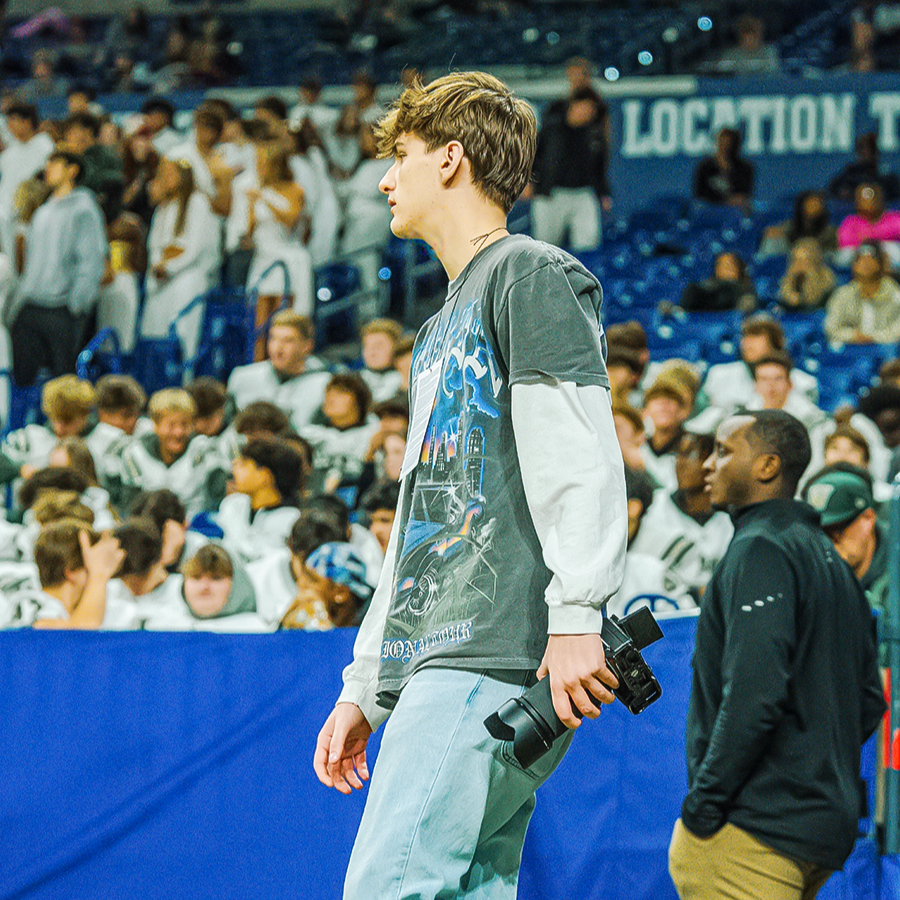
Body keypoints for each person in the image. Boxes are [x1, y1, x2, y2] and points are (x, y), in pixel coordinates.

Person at [313, 71, 627, 899]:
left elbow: (581, 457)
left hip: (490, 654)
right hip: (446, 659)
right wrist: (367, 687)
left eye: (402, 156)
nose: (386, 179)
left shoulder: (527, 274)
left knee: (391, 888)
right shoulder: (437, 326)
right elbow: (421, 524)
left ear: (451, 159)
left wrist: (575, 618)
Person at [669, 410, 885, 900]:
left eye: (723, 451)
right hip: (816, 831)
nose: (708, 465)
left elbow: (755, 694)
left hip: (751, 832)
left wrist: (704, 806)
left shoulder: (759, 550)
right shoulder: (831, 560)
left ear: (767, 467)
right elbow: (869, 700)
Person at [10, 150, 108, 386]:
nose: (48, 168)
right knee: (23, 378)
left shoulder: (84, 209)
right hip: (32, 304)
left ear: (72, 170)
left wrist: (76, 305)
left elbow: (91, 261)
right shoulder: (43, 211)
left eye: (55, 163)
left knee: (63, 380)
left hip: (63, 309)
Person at [629, 432, 733, 602]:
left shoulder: (728, 519)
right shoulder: (656, 506)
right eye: (678, 455)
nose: (680, 463)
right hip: (663, 608)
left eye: (689, 455)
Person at [140, 157, 220, 357]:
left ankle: (182, 377)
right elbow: (155, 245)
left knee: (183, 332)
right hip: (162, 280)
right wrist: (159, 265)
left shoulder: (197, 203)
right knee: (154, 330)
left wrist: (169, 266)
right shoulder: (163, 207)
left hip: (188, 276)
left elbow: (193, 249)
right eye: (163, 173)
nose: (165, 178)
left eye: (171, 173)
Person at [530, 84, 610, 252]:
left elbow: (599, 168)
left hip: (583, 193)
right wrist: (528, 182)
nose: (588, 112)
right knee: (545, 247)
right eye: (585, 107)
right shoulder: (551, 128)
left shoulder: (594, 134)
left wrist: (603, 192)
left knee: (588, 243)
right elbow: (533, 158)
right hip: (551, 194)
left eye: (592, 109)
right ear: (574, 105)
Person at [244, 139, 312, 326]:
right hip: (263, 258)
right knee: (258, 322)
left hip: (287, 259)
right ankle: (258, 356)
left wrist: (264, 197)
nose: (258, 169)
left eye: (262, 165)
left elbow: (291, 220)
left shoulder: (295, 190)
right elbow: (250, 228)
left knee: (283, 321)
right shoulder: (257, 190)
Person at [803, 466, 889, 612]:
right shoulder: (809, 574)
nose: (827, 545)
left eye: (836, 533)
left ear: (867, 519)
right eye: (818, 535)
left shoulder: (894, 573)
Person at [227, 311, 332, 428]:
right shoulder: (242, 377)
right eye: (273, 339)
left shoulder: (325, 385)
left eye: (288, 340)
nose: (278, 348)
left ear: (307, 346)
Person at [702, 314, 818, 414]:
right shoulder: (718, 374)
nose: (747, 343)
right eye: (745, 336)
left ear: (775, 342)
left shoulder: (805, 384)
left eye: (756, 336)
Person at [19, 521, 126, 630]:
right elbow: (78, 637)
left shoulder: (60, 614)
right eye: (90, 568)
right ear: (72, 571)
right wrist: (98, 576)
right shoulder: (32, 607)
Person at [217, 436, 304, 564]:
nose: (234, 467)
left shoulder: (292, 521)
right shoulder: (232, 505)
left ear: (264, 476)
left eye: (244, 464)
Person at [0, 103, 55, 257]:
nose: (9, 126)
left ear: (27, 122)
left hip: (33, 216)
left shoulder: (46, 148)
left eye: (13, 120)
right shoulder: (9, 154)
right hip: (5, 214)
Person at [825, 240, 900, 344]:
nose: (865, 263)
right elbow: (831, 327)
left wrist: (874, 337)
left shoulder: (895, 293)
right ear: (854, 265)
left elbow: (897, 328)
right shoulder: (843, 294)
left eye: (871, 258)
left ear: (881, 264)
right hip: (850, 349)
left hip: (885, 349)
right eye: (860, 259)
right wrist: (852, 335)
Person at [746, 352, 828, 434]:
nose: (771, 385)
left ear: (790, 384)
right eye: (764, 379)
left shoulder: (809, 416)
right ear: (755, 385)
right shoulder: (747, 414)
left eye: (778, 378)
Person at [679, 251, 756, 313]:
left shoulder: (746, 290)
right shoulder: (701, 289)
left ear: (739, 269)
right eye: (722, 265)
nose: (726, 269)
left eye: (730, 266)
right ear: (716, 269)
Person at [693, 128, 753, 207]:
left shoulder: (744, 169)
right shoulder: (705, 168)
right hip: (710, 209)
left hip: (735, 209)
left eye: (729, 143)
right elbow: (700, 193)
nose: (725, 146)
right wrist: (725, 199)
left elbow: (744, 192)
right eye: (722, 142)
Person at [837, 182, 900, 251]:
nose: (869, 203)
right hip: (859, 255)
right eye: (864, 199)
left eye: (873, 199)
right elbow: (845, 241)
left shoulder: (895, 219)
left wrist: (874, 240)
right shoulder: (850, 222)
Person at [777, 239, 836, 311]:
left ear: (814, 261)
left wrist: (810, 276)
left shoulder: (827, 276)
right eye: (796, 260)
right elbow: (785, 296)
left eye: (804, 260)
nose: (799, 264)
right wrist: (790, 296)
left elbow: (815, 301)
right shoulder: (790, 276)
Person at [358, 318, 404, 402]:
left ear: (396, 348)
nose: (371, 353)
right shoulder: (355, 382)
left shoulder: (406, 383)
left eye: (378, 346)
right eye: (367, 347)